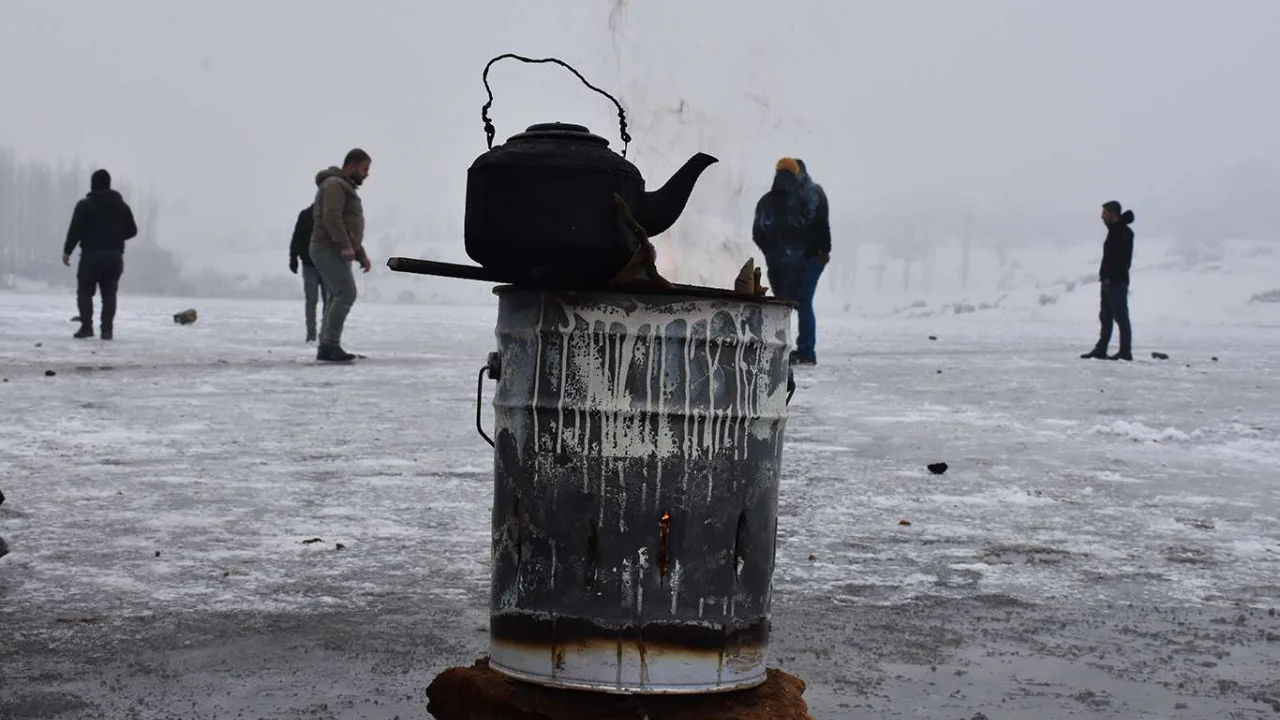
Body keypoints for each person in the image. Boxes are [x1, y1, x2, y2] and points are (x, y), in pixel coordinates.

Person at [752, 157, 831, 365]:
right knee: (803, 303)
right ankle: (805, 351)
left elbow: (758, 232)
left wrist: (771, 251)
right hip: (801, 260)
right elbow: (815, 225)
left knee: (783, 305)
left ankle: (780, 349)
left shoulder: (767, 201)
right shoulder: (804, 198)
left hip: (779, 262)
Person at [310, 149, 373, 362]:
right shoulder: (334, 185)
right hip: (328, 247)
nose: (366, 174)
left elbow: (348, 225)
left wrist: (360, 253)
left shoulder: (343, 186)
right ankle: (329, 345)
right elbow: (332, 217)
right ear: (353, 165)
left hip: (336, 248)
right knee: (345, 293)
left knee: (336, 295)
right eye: (364, 169)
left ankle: (326, 345)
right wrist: (346, 246)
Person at [62, 169, 138, 340]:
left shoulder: (85, 205)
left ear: (93, 184)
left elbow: (75, 230)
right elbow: (132, 230)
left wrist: (67, 251)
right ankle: (107, 330)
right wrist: (116, 237)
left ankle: (87, 327)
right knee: (109, 294)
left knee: (85, 292)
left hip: (91, 255)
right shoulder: (122, 206)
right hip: (115, 256)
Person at [1082, 201, 1136, 361]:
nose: (1102, 216)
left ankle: (1125, 351)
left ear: (1113, 213)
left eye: (1105, 213)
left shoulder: (1124, 232)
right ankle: (1101, 349)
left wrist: (1111, 277)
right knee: (1105, 316)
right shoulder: (1114, 231)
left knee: (1121, 316)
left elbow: (1123, 260)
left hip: (1116, 282)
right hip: (1108, 281)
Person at [289, 203, 328, 343]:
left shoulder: (329, 216)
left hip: (325, 265)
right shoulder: (306, 215)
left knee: (325, 302)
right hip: (310, 264)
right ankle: (313, 335)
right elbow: (297, 237)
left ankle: (324, 334)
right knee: (314, 301)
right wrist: (293, 257)